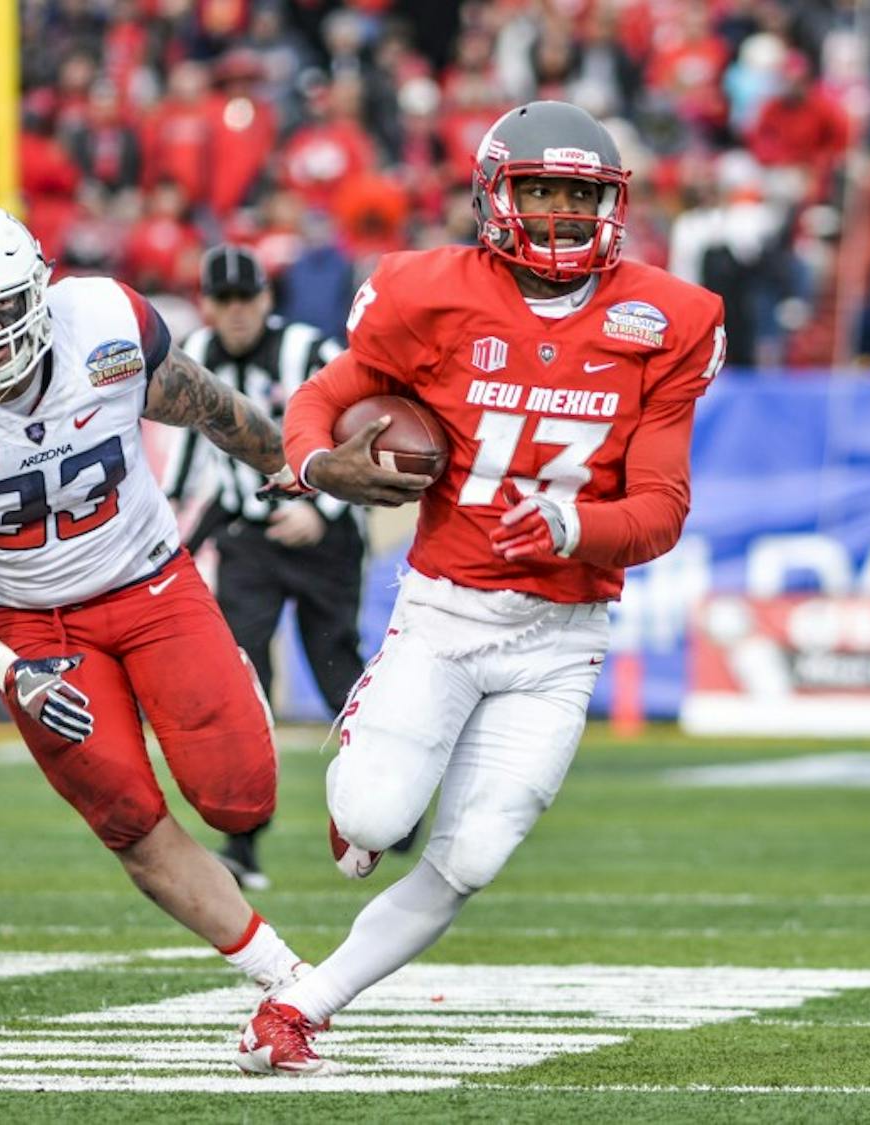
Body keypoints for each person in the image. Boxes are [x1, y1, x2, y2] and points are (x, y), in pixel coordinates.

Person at [236, 101, 727, 1074]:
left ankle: (300, 1008)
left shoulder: (670, 318)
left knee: (473, 858)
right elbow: (321, 402)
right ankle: (359, 789)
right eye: (539, 190)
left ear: (612, 205)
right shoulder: (427, 294)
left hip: (563, 635)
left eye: (579, 195)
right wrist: (316, 466)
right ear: (495, 196)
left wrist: (574, 524)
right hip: (449, 612)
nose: (558, 214)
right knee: (376, 818)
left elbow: (663, 509)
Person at [0, 199, 312, 1000]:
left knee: (241, 799)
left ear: (39, 288)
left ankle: (228, 682)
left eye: (0, 306)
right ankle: (280, 974)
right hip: (30, 625)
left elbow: (207, 405)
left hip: (149, 581)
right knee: (126, 816)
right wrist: (9, 670)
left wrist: (289, 462)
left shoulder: (101, 322)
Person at [165, 243, 365, 893]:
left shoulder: (311, 350)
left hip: (322, 537)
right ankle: (243, 843)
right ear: (207, 304)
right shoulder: (195, 353)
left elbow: (359, 431)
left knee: (337, 669)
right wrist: (175, 539)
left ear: (267, 298)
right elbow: (189, 457)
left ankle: (384, 804)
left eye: (245, 297)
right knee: (243, 677)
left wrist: (325, 511)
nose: (235, 311)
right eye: (222, 299)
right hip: (248, 535)